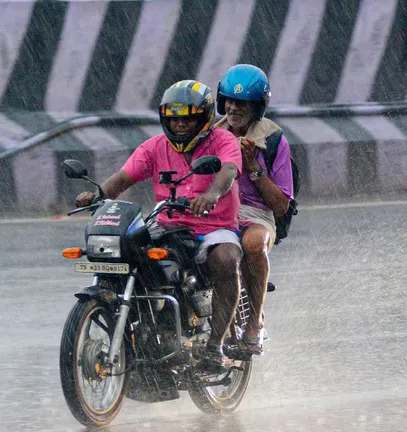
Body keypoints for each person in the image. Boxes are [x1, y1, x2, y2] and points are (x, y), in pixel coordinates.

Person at [75, 80, 243, 371]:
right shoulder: (154, 147)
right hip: (167, 223)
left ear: (204, 118)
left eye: (187, 118)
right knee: (127, 251)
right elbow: (124, 177)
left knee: (226, 260)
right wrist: (98, 195)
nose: (179, 124)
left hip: (213, 226)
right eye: (173, 118)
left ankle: (214, 346)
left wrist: (212, 195)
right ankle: (146, 328)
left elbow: (228, 170)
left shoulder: (223, 141)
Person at [214, 64, 293, 356]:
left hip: (255, 213)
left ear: (257, 106)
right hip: (217, 210)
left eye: (243, 103)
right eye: (230, 101)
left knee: (253, 244)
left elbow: (281, 205)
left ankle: (254, 322)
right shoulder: (212, 135)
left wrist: (253, 169)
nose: (234, 108)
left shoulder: (273, 140)